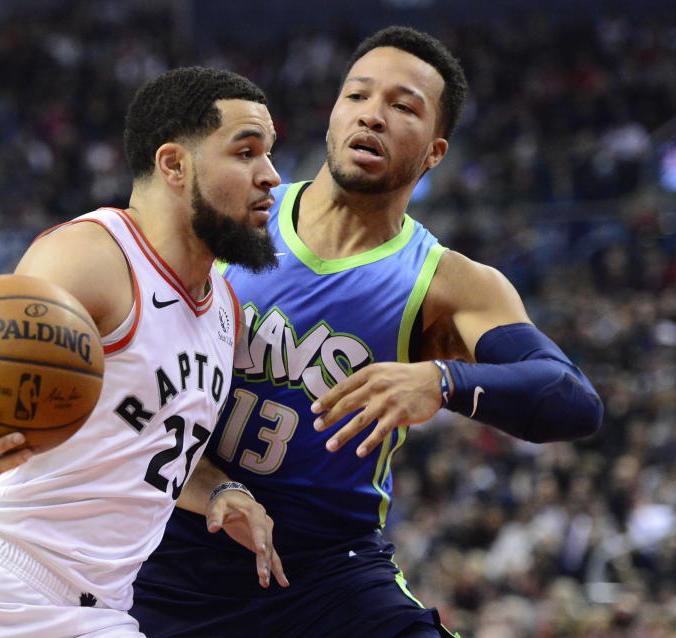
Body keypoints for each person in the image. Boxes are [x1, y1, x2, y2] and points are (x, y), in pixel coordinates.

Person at [129, 26, 604, 638]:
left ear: (434, 152)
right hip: (169, 543)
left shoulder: (448, 283)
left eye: (402, 106)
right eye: (357, 96)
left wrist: (443, 381)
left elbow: (572, 400)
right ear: (331, 115)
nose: (372, 116)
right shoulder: (226, 219)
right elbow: (128, 386)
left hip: (327, 574)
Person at [0, 66, 289, 638]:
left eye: (269, 154)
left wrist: (221, 491)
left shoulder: (225, 310)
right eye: (246, 152)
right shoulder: (92, 257)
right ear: (174, 164)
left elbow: (147, 446)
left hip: (98, 613)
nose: (271, 176)